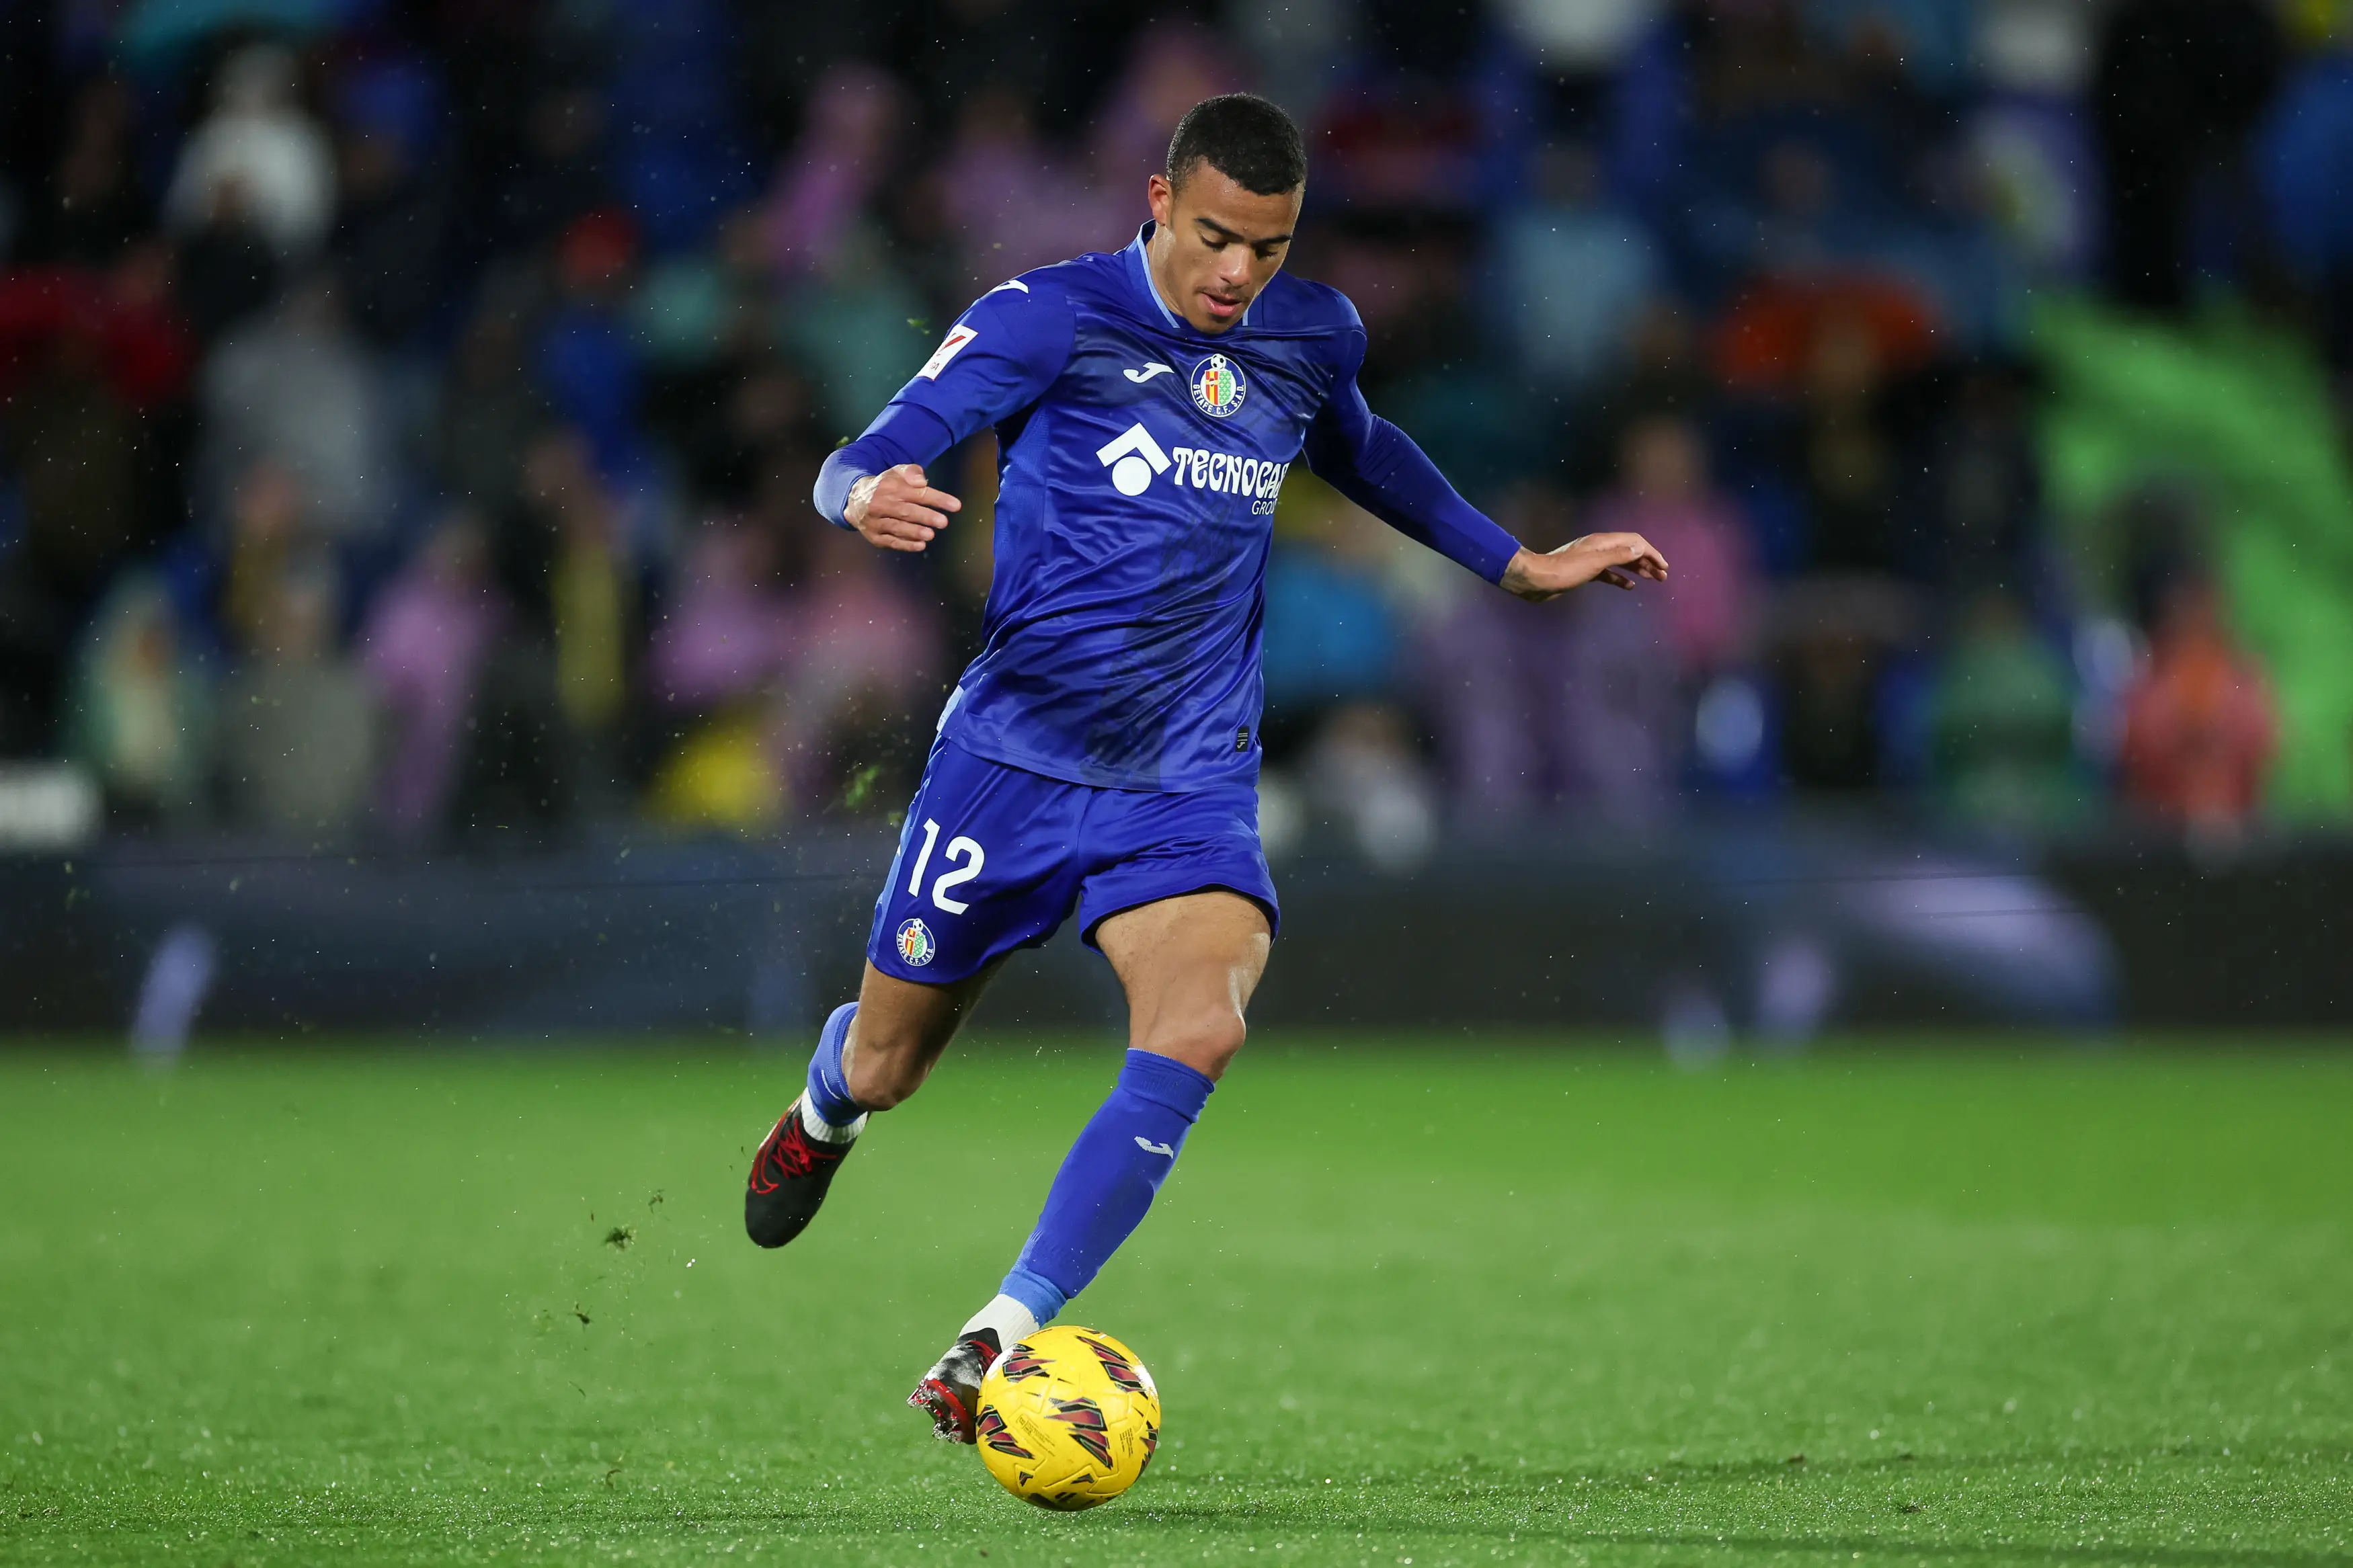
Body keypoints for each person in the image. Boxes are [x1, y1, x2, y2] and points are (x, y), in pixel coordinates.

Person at [741, 94, 1668, 1442]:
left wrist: (1515, 565)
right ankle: (826, 1105)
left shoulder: (1308, 336)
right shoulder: (1044, 314)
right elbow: (867, 448)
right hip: (1010, 761)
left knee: (1202, 1024)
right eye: (1219, 237)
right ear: (1161, 200)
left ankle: (1001, 1331)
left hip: (1185, 771)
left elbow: (1366, 453)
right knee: (890, 1063)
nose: (1239, 274)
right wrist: (860, 494)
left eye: (1271, 247)